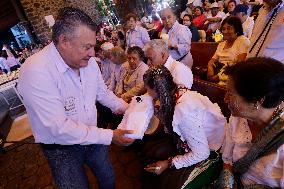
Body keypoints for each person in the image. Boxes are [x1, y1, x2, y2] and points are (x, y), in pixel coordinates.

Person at [17, 7, 134, 189]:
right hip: (61, 148)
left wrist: (129, 109)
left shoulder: (88, 62)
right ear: (64, 41)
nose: (93, 54)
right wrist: (110, 136)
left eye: (93, 47)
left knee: (108, 177)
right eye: (86, 47)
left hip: (93, 134)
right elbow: (59, 128)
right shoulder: (36, 71)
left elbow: (102, 93)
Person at [142, 65, 226, 189]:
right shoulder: (173, 92)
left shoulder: (184, 111)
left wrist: (167, 163)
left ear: (157, 90)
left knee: (169, 181)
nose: (147, 92)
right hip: (190, 142)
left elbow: (202, 153)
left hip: (211, 149)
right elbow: (172, 127)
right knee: (150, 151)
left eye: (147, 88)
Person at [219, 57, 284, 188]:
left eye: (230, 94)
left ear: (257, 101)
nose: (225, 99)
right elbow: (228, 161)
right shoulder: (238, 117)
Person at [207, 16, 250, 86]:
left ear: (237, 29)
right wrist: (210, 70)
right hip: (216, 75)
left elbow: (239, 65)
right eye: (223, 29)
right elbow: (212, 61)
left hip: (232, 78)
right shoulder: (221, 44)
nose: (225, 31)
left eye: (229, 28)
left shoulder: (243, 41)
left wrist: (218, 77)